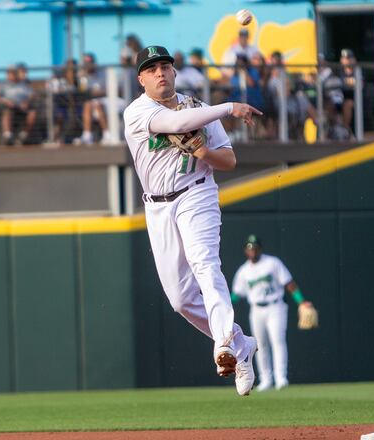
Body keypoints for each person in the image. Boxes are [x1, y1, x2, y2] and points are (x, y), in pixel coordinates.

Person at [122, 45, 263, 396]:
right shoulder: (137, 111)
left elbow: (228, 160)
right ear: (141, 79)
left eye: (165, 66)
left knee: (205, 265)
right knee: (180, 299)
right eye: (151, 69)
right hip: (157, 206)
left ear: (174, 71)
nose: (160, 73)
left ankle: (225, 345)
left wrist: (202, 152)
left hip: (196, 192)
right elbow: (175, 124)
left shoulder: (198, 108)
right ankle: (242, 344)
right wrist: (231, 106)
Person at [231, 235, 314, 391]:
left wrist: (301, 301)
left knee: (278, 341)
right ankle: (266, 379)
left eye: (255, 248)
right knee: (260, 344)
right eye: (249, 248)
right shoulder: (243, 271)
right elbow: (236, 294)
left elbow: (289, 283)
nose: (252, 251)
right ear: (245, 251)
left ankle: (281, 378)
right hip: (256, 309)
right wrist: (224, 305)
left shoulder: (272, 263)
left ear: (260, 249)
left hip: (275, 306)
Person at [75, 53, 118, 145]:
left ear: (94, 63)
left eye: (90, 63)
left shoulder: (103, 72)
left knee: (96, 104)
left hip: (108, 100)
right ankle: (87, 135)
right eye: (86, 63)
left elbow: (110, 90)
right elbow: (82, 92)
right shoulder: (82, 76)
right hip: (92, 103)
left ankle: (107, 134)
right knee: (88, 104)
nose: (88, 65)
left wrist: (97, 93)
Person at [0, 64, 36, 146]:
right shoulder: (3, 84)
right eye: (10, 73)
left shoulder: (24, 84)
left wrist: (26, 102)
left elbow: (32, 94)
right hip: (8, 106)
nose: (12, 75)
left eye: (14, 73)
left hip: (22, 107)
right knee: (7, 112)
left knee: (32, 113)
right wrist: (6, 101)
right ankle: (8, 136)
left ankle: (23, 136)